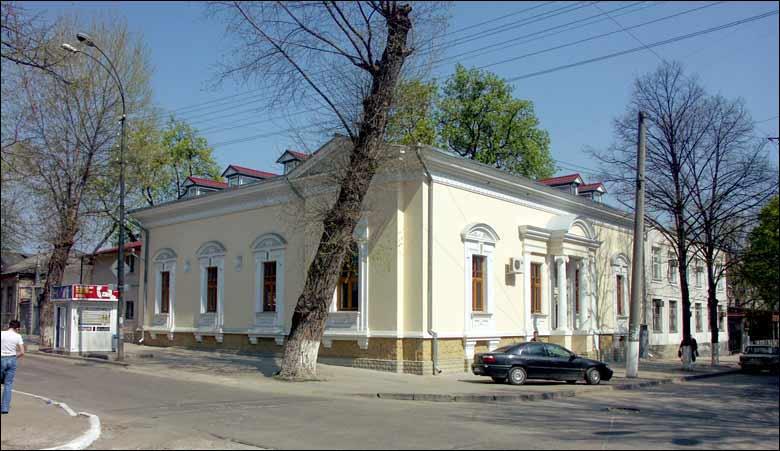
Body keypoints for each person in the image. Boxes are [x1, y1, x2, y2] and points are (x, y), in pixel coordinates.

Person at [1, 320, 25, 414]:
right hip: (12, 359)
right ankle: (5, 408)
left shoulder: (2, 334)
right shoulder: (18, 336)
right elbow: (22, 352)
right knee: (8, 384)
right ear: (17, 328)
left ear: (8, 325)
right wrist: (15, 357)